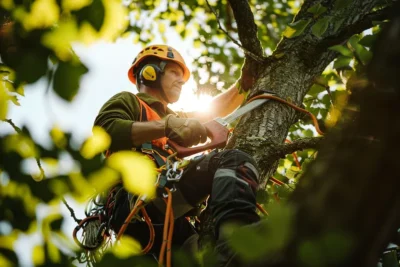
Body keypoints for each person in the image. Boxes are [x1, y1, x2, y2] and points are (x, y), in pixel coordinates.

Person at [93, 44, 261, 265]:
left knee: (203, 256)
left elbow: (213, 110)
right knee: (233, 160)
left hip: (165, 218)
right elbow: (106, 130)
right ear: (150, 72)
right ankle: (238, 241)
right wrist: (167, 126)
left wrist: (243, 86)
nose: (181, 81)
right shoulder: (131, 102)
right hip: (137, 203)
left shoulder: (175, 117)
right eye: (174, 72)